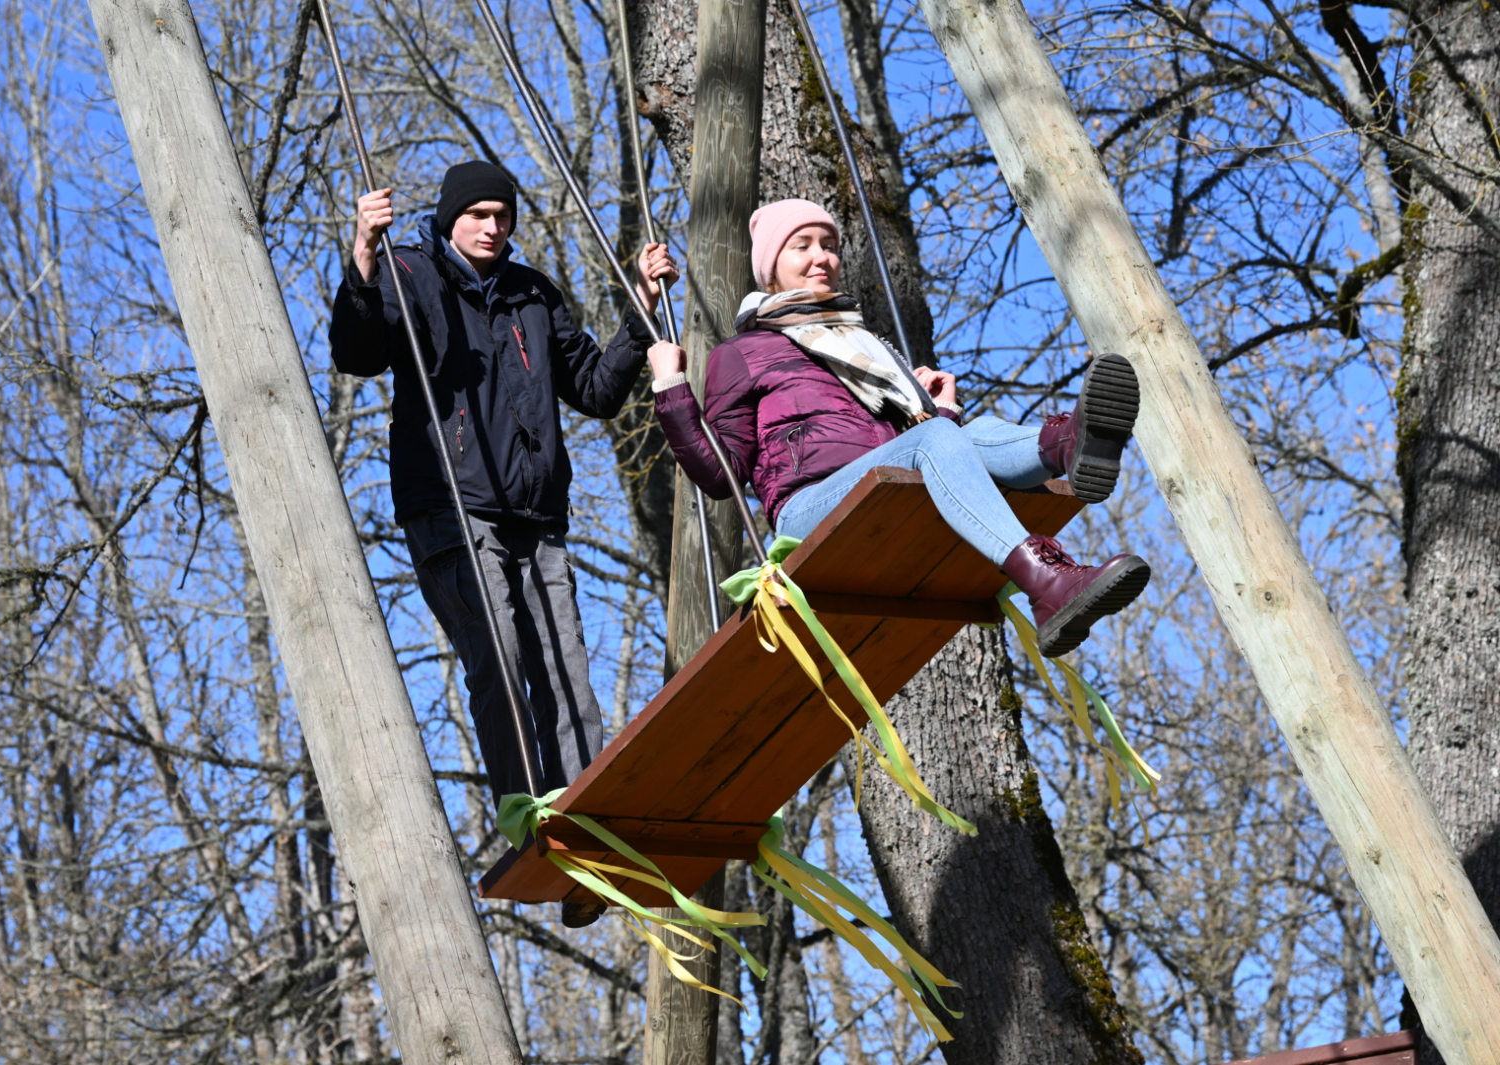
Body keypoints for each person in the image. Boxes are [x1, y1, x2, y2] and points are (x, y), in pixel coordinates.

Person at [330, 161, 682, 927]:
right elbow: (358, 351)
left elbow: (595, 388)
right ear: (450, 218)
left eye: (503, 215)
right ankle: (532, 820)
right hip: (452, 507)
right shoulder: (410, 274)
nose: (493, 227)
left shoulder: (532, 294)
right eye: (478, 215)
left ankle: (586, 825)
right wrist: (363, 255)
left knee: (566, 665)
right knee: (501, 655)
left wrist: (642, 310)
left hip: (535, 513)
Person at [649, 198, 1150, 657]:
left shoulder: (865, 346)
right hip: (808, 508)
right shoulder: (742, 353)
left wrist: (940, 412)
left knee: (972, 429)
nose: (822, 257)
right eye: (802, 246)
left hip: (880, 487)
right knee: (935, 437)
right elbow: (720, 477)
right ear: (771, 268)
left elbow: (906, 448)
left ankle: (1067, 444)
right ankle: (1044, 582)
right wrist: (671, 386)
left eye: (829, 245)